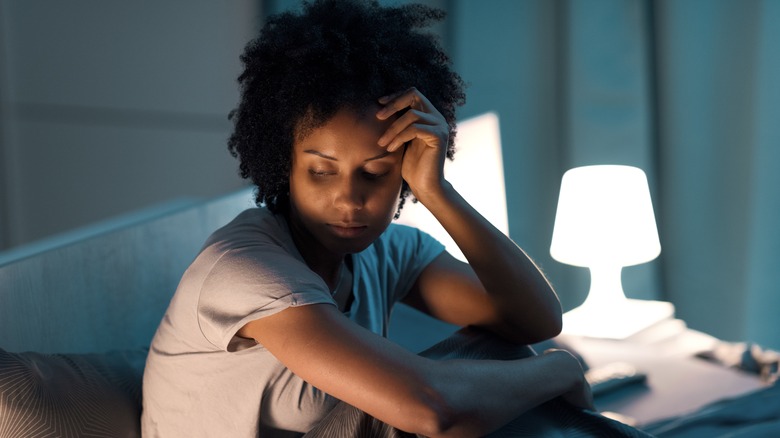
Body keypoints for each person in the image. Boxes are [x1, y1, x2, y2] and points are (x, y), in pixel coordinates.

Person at [141, 1, 606, 436]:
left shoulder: (387, 252)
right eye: (321, 171)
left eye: (376, 173)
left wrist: (437, 191)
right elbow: (431, 410)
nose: (348, 200)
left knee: (500, 352)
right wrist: (560, 368)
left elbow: (534, 321)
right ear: (285, 165)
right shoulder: (244, 270)